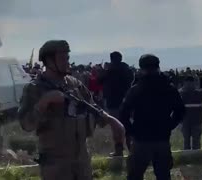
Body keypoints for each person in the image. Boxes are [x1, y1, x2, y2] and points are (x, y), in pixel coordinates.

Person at [17, 40, 125, 180]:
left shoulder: (74, 84)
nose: (67, 62)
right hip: (56, 165)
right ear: (49, 61)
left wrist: (111, 120)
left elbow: (92, 107)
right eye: (62, 58)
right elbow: (26, 124)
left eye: (67, 58)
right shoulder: (35, 89)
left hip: (82, 162)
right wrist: (44, 101)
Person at [120, 54, 185, 180]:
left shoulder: (136, 89)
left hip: (141, 139)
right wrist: (169, 125)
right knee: (163, 176)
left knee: (134, 175)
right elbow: (180, 111)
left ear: (141, 69)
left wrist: (132, 130)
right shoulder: (169, 88)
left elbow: (123, 113)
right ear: (158, 67)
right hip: (162, 139)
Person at [98, 51, 134, 156]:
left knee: (116, 126)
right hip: (126, 100)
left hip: (113, 101)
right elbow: (132, 80)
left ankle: (119, 151)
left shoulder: (109, 70)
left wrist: (104, 70)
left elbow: (99, 80)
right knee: (127, 125)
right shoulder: (127, 69)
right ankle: (132, 149)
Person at [179, 75, 202, 150]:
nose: (189, 84)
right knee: (190, 141)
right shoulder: (180, 93)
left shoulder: (199, 92)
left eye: (190, 82)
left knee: (193, 141)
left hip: (193, 121)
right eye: (188, 83)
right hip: (188, 121)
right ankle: (191, 157)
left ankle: (193, 157)